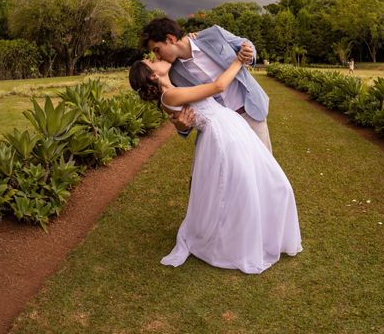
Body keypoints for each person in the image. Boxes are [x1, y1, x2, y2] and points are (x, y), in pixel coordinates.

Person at [129, 50, 302, 274]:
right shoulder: (169, 96)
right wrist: (239, 60)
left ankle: (266, 236)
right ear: (153, 76)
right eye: (152, 62)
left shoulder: (174, 89)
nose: (157, 58)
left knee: (270, 182)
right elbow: (218, 86)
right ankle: (240, 243)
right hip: (224, 138)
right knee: (247, 187)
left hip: (233, 130)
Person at [142, 17, 272, 152]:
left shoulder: (214, 34)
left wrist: (249, 52)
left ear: (170, 39)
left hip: (251, 111)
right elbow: (185, 111)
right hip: (223, 129)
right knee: (238, 171)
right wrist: (182, 127)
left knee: (265, 166)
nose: (157, 57)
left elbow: (245, 43)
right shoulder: (173, 74)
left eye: (157, 50)